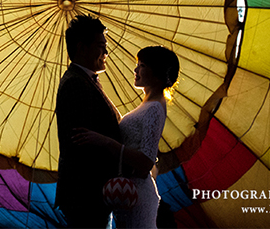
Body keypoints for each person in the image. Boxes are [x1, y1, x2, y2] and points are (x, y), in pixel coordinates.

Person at [55, 16, 153, 228]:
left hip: (92, 196)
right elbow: (82, 146)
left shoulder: (86, 81)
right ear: (82, 48)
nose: (106, 54)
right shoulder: (76, 85)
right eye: (101, 47)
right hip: (86, 198)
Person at [74, 45, 179, 229]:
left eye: (142, 65)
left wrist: (106, 142)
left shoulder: (154, 108)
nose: (135, 69)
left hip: (137, 196)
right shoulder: (148, 104)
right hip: (127, 194)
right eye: (137, 64)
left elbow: (146, 161)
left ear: (157, 73)